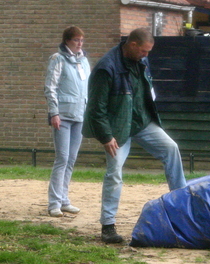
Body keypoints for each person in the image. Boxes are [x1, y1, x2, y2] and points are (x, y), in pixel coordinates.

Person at [83, 27, 187, 243]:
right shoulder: (106, 68)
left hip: (142, 122)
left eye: (148, 52)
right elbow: (95, 107)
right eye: (144, 51)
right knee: (114, 172)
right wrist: (106, 136)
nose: (146, 56)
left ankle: (182, 205)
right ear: (132, 45)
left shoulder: (141, 61)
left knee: (171, 148)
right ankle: (108, 225)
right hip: (117, 129)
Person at [44, 26, 91, 218]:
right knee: (62, 159)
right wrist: (54, 113)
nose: (79, 44)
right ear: (67, 42)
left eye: (81, 40)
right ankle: (53, 203)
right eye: (76, 40)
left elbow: (88, 87)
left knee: (71, 159)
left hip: (80, 115)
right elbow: (50, 87)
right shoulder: (58, 59)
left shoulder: (84, 61)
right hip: (62, 115)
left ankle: (64, 200)